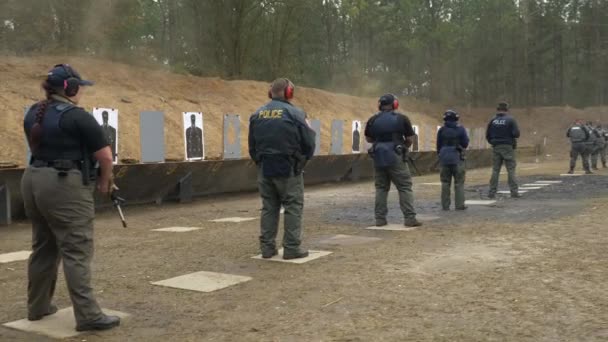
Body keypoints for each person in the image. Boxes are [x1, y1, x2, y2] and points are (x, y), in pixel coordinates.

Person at [21, 64, 120, 331]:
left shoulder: (33, 112)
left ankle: (38, 306)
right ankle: (88, 315)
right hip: (63, 184)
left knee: (44, 246)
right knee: (76, 249)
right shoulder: (78, 116)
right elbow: (106, 156)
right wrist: (104, 180)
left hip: (33, 179)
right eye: (80, 87)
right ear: (71, 88)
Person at [248, 78, 316, 260]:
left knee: (269, 207)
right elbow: (309, 142)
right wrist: (302, 160)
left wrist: (260, 162)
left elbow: (252, 146)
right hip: (289, 168)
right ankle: (292, 248)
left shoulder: (257, 114)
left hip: (265, 167)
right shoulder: (296, 113)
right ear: (289, 93)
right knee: (293, 206)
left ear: (271, 93)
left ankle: (267, 248)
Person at [365, 94, 421, 227]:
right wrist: (403, 147)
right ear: (395, 104)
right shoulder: (402, 119)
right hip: (395, 155)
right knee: (404, 187)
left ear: (380, 105)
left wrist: (381, 141)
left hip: (378, 155)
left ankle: (380, 219)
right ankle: (409, 218)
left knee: (381, 188)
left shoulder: (373, 119)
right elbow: (410, 139)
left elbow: (368, 138)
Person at [436, 110, 470, 211]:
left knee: (445, 182)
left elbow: (438, 145)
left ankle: (445, 206)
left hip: (444, 157)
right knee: (459, 183)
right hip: (457, 157)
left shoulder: (441, 130)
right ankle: (459, 205)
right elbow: (465, 143)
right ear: (456, 119)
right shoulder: (461, 129)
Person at [486, 102, 520, 198]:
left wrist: (493, 142)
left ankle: (492, 192)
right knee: (511, 169)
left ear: (497, 109)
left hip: (496, 146)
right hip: (508, 146)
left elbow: (487, 135)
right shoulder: (511, 120)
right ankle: (514, 192)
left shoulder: (492, 120)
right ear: (507, 110)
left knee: (495, 170)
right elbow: (516, 134)